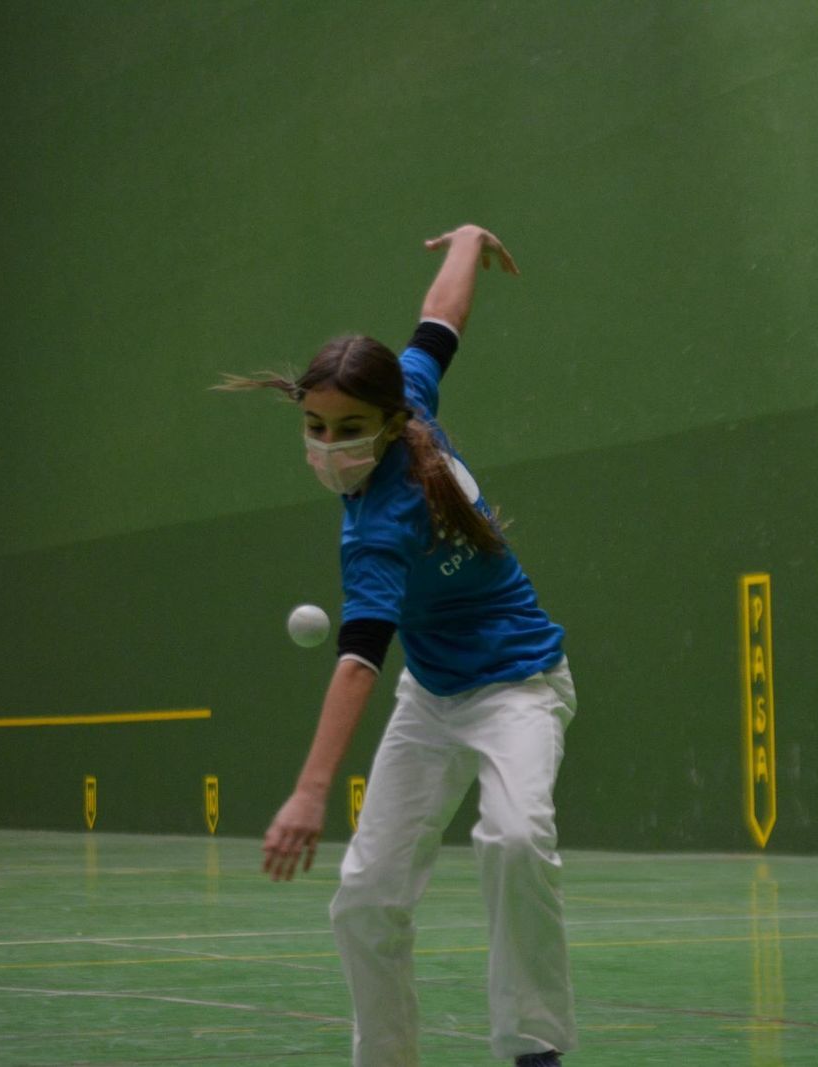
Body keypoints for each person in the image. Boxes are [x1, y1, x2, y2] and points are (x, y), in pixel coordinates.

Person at [217, 224, 576, 1067]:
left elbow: (357, 662)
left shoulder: (379, 526)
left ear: (392, 417)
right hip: (436, 696)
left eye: (347, 428)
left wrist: (310, 794)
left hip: (520, 684)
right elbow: (438, 319)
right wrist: (469, 242)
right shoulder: (403, 400)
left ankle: (534, 1049)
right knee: (363, 899)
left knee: (517, 838)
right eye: (314, 424)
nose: (328, 444)